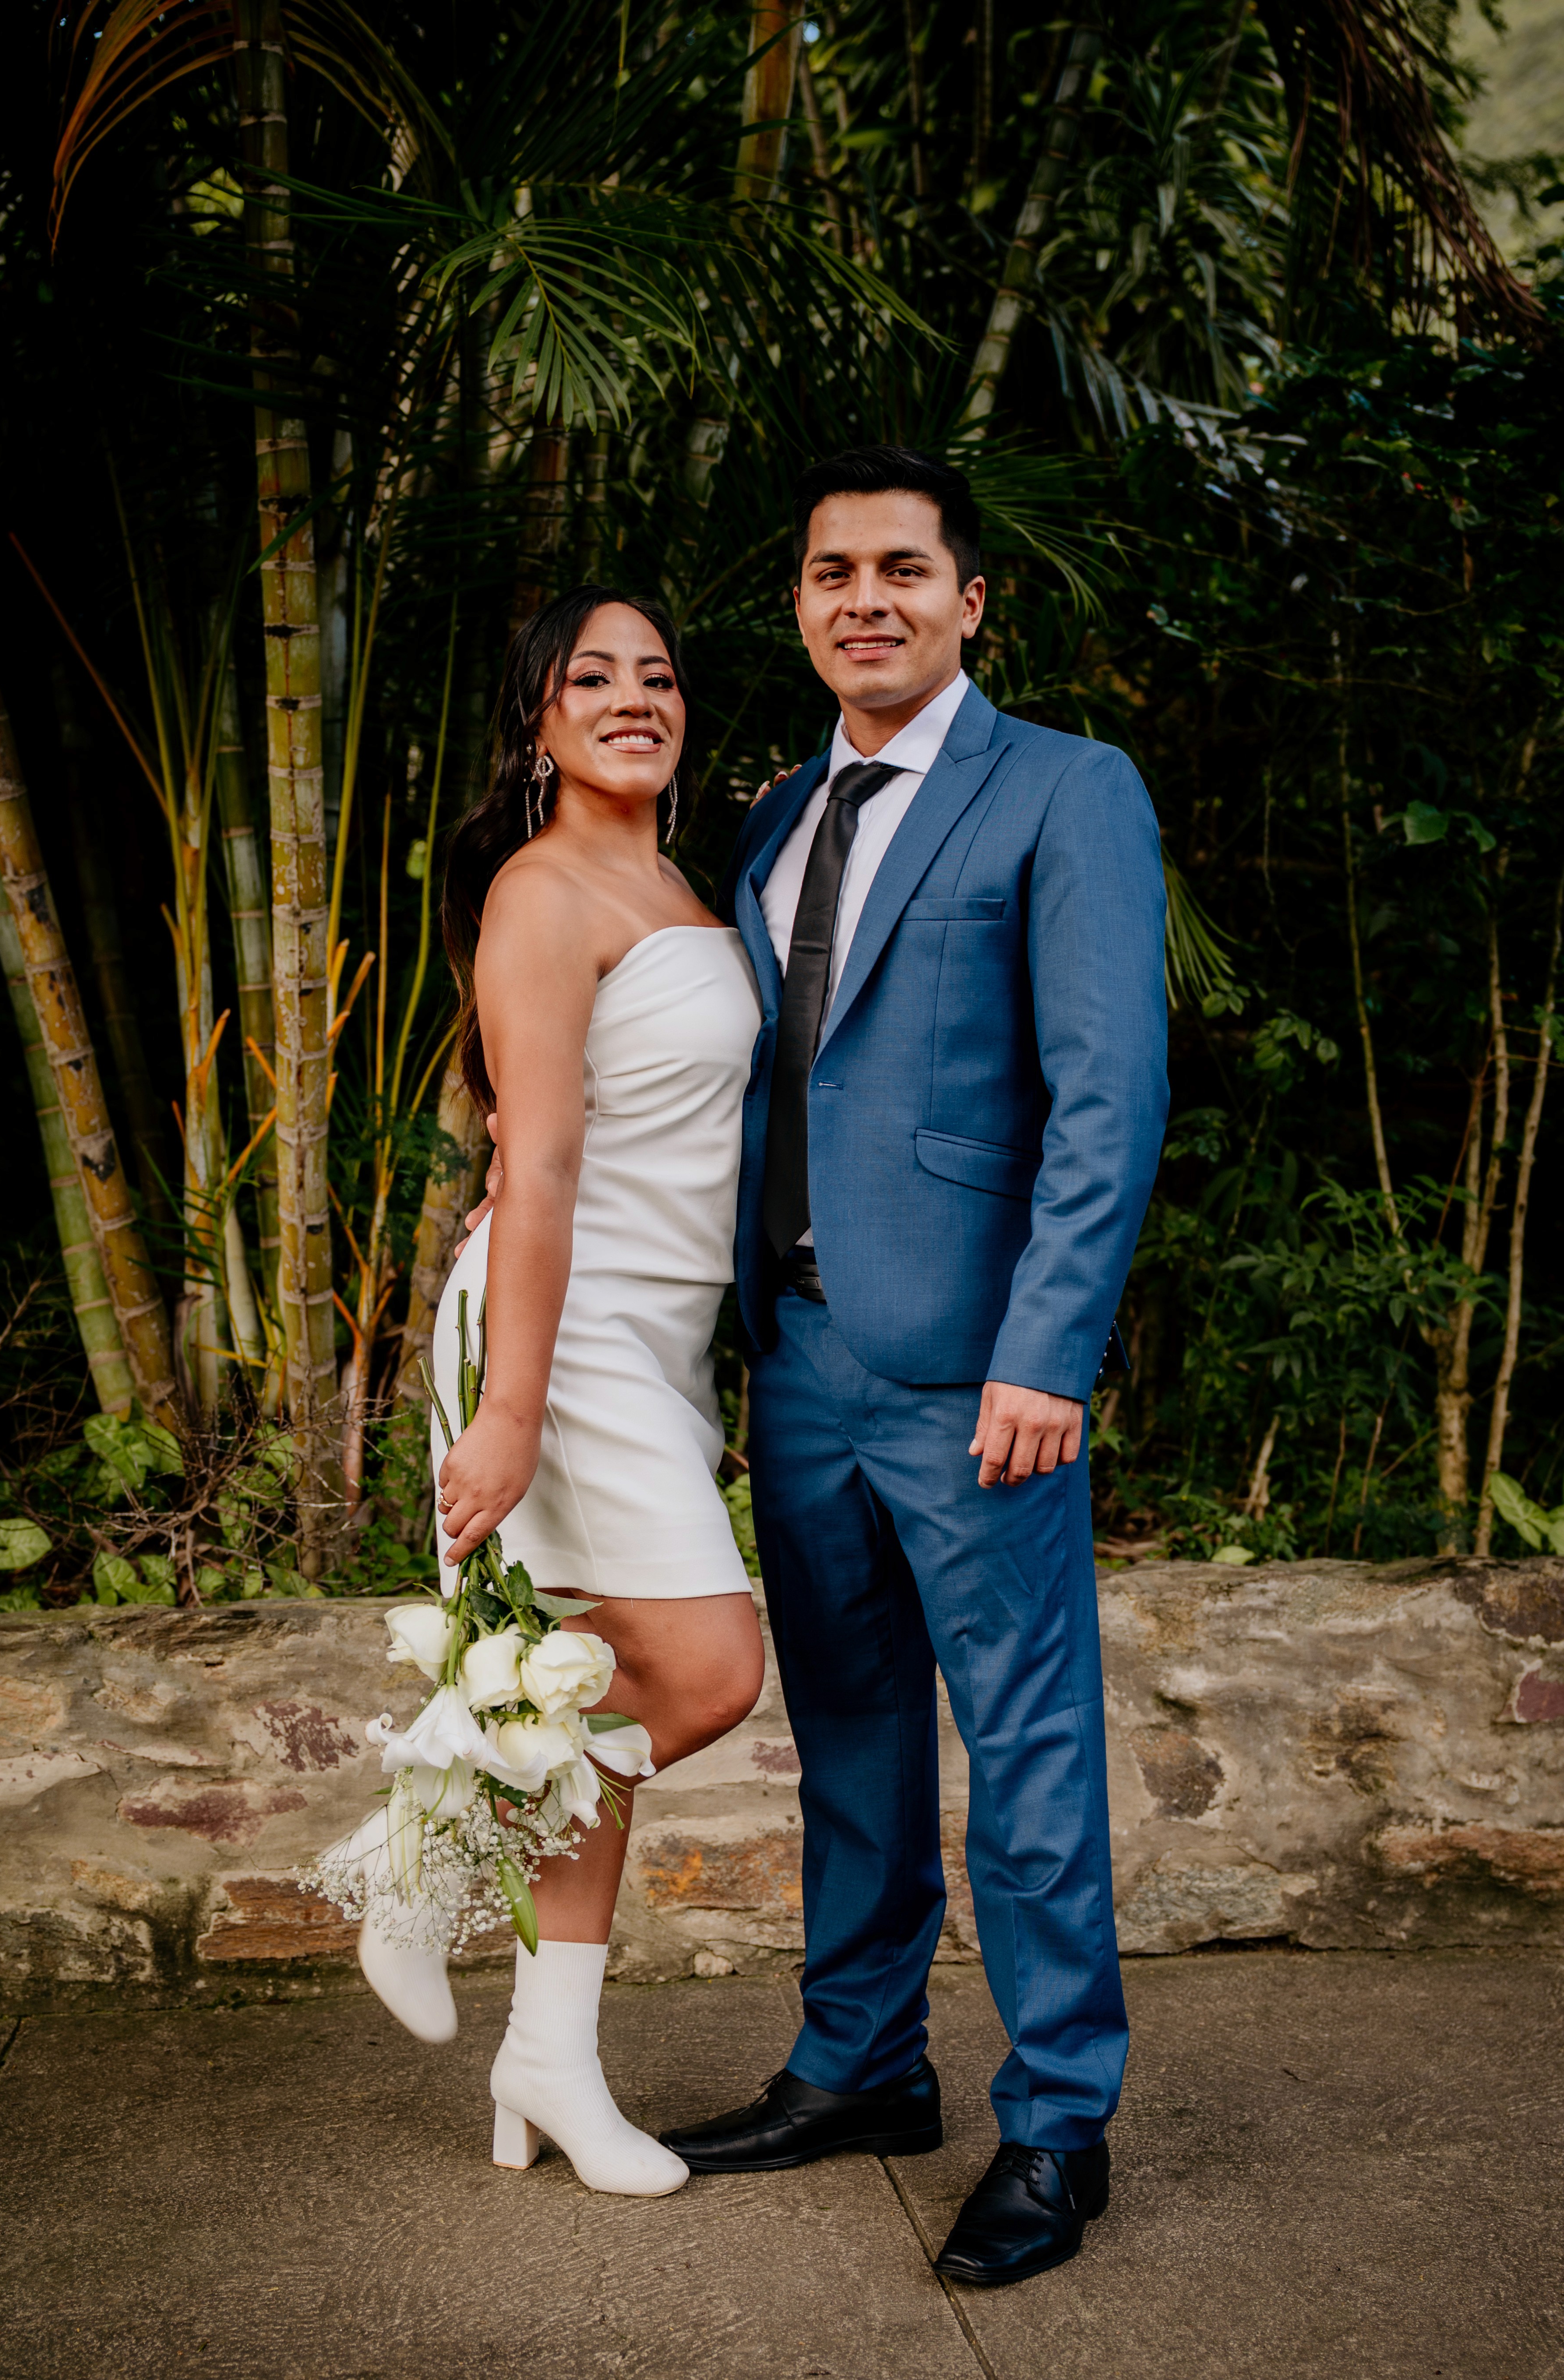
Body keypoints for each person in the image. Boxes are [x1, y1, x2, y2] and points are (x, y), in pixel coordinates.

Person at [653, 446, 1169, 2289]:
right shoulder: (778, 811)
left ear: (967, 599)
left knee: (1026, 1757)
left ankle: (1057, 2125)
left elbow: (1108, 1091)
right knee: (851, 1741)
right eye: (830, 573)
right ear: (798, 604)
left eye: (899, 569)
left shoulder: (1065, 788)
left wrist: (1048, 1350)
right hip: (796, 1356)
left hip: (975, 1375)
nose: (862, 599)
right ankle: (863, 2063)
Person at [367, 586, 766, 2200]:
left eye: (655, 675)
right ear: (537, 722)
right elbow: (531, 1166)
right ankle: (432, 1853)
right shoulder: (539, 891)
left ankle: (548, 2055)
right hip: (567, 1327)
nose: (630, 698)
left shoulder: (680, 882)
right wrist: (511, 1408)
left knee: (578, 1692)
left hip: (658, 1337)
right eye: (589, 677)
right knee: (711, 1669)